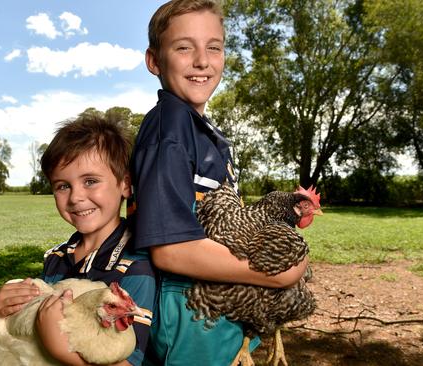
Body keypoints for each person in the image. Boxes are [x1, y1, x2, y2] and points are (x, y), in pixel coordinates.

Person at [127, 1, 309, 365]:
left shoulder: (199, 131)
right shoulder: (171, 129)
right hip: (188, 310)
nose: (202, 60)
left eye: (214, 47)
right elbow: (170, 249)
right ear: (154, 61)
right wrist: (277, 271)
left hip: (215, 303)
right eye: (183, 47)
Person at [0, 114, 155, 366]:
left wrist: (63, 351)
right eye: (62, 186)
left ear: (125, 184)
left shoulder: (135, 267)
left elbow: (129, 362)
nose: (76, 197)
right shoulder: (56, 257)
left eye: (90, 181)